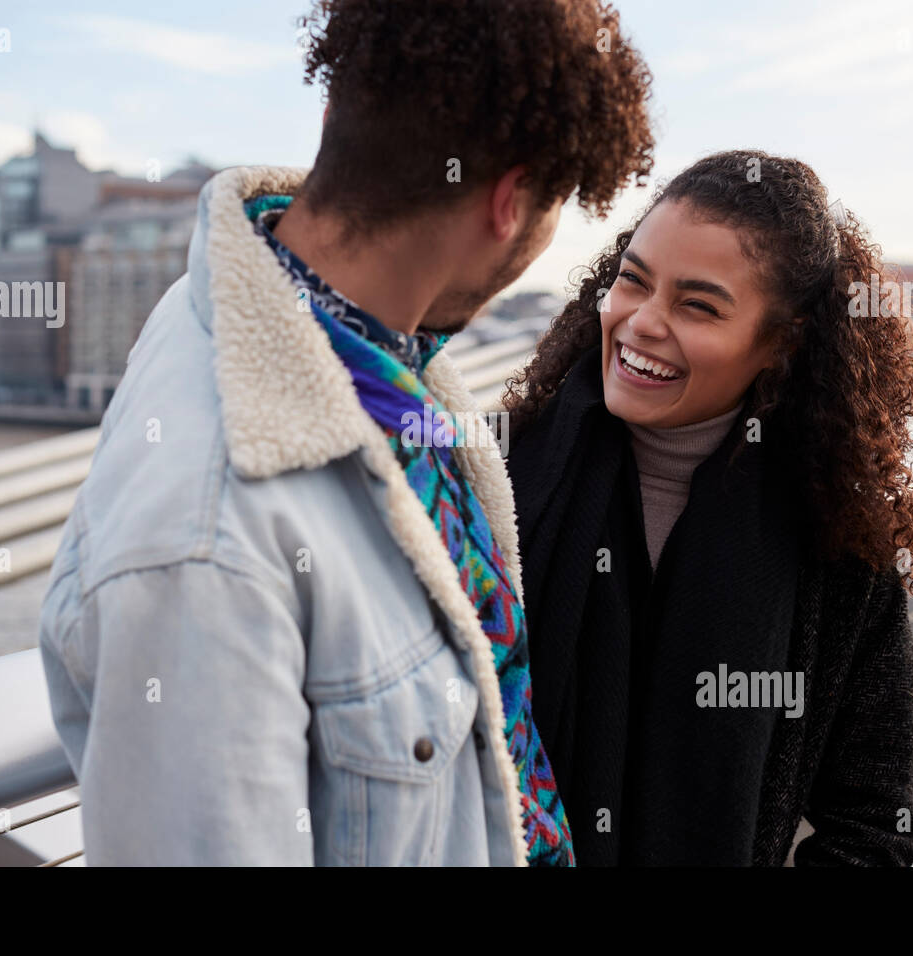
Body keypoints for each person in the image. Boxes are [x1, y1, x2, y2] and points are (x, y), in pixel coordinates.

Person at [37, 0, 654, 866]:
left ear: (335, 119)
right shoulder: (208, 551)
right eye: (558, 210)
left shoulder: (353, 351)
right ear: (511, 202)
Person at [502, 149, 913, 865]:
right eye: (632, 282)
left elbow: (873, 820)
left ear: (781, 343)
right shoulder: (505, 481)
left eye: (698, 306)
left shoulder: (839, 542)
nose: (642, 323)